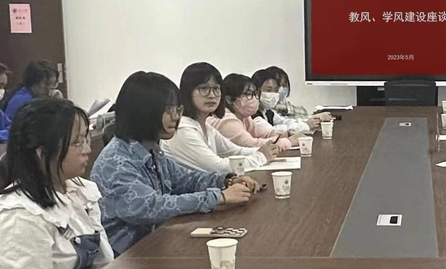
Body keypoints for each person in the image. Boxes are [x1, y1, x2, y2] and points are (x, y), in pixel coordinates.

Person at [91, 71, 258, 255]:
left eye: (177, 109)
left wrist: (227, 181)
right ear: (143, 112)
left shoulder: (151, 149)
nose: (176, 117)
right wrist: (220, 197)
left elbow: (186, 179)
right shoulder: (116, 162)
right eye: (168, 110)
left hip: (156, 244)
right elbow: (153, 206)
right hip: (126, 258)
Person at [0, 99, 113, 269]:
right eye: (77, 143)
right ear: (41, 154)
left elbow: (103, 263)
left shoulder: (78, 192)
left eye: (86, 139)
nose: (88, 150)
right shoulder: (18, 217)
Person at [162, 63, 270, 173]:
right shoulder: (183, 129)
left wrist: (266, 150)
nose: (212, 95)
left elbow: (236, 151)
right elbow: (219, 168)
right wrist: (261, 156)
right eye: (203, 88)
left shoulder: (206, 128)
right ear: (188, 92)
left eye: (216, 89)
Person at [209, 73, 294, 152]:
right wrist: (288, 141)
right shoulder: (226, 119)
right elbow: (253, 145)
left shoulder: (244, 117)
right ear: (229, 99)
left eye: (255, 94)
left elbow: (265, 134)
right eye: (248, 94)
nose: (254, 98)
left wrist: (285, 135)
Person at [253, 68, 323, 134]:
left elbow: (284, 121)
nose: (273, 94)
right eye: (268, 90)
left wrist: (307, 124)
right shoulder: (253, 115)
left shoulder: (268, 112)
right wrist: (305, 126)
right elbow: (273, 131)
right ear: (256, 91)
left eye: (276, 90)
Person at [266, 65, 330, 123]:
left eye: (284, 85)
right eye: (278, 86)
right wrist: (314, 118)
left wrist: (286, 108)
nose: (282, 89)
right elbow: (286, 124)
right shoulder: (267, 106)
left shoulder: (282, 102)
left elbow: (303, 112)